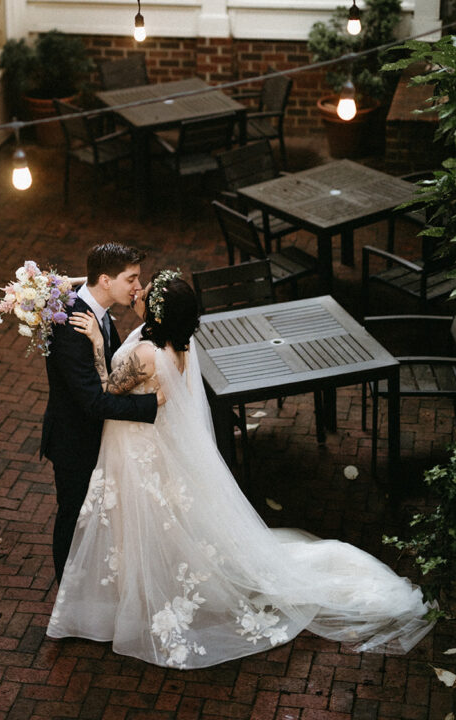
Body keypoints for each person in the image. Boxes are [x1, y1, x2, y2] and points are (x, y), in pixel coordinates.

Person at [47, 269, 434, 669]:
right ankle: (138, 587)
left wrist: (95, 341)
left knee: (143, 518)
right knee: (156, 519)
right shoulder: (177, 343)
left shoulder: (146, 354)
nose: (138, 294)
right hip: (149, 442)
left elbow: (107, 389)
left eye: (144, 293)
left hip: (137, 445)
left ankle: (136, 593)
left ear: (158, 313)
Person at [41, 242, 165, 584]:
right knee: (73, 515)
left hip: (97, 435)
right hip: (75, 441)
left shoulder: (94, 307)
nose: (138, 287)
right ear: (106, 281)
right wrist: (151, 405)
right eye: (131, 279)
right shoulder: (72, 327)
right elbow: (94, 402)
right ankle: (67, 590)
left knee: (95, 514)